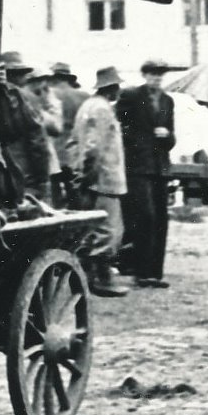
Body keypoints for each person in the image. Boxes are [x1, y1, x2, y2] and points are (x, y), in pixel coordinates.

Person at [67, 66, 129, 297]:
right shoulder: (102, 110)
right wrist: (89, 176)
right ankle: (101, 279)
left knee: (92, 230)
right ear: (111, 88)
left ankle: (87, 278)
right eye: (117, 87)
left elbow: (74, 143)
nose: (119, 92)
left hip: (92, 178)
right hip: (105, 179)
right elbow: (94, 147)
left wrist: (77, 173)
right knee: (109, 231)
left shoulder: (86, 107)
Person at [116, 58, 177, 287]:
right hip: (137, 167)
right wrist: (142, 139)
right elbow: (119, 126)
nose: (156, 79)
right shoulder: (131, 96)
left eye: (160, 75)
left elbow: (172, 137)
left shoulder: (168, 101)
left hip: (160, 167)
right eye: (152, 74)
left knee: (161, 218)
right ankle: (140, 272)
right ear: (144, 75)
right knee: (145, 216)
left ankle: (155, 274)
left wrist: (167, 136)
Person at [0, 51, 56, 207]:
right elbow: (37, 141)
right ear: (18, 75)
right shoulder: (23, 97)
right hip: (24, 174)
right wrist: (42, 180)